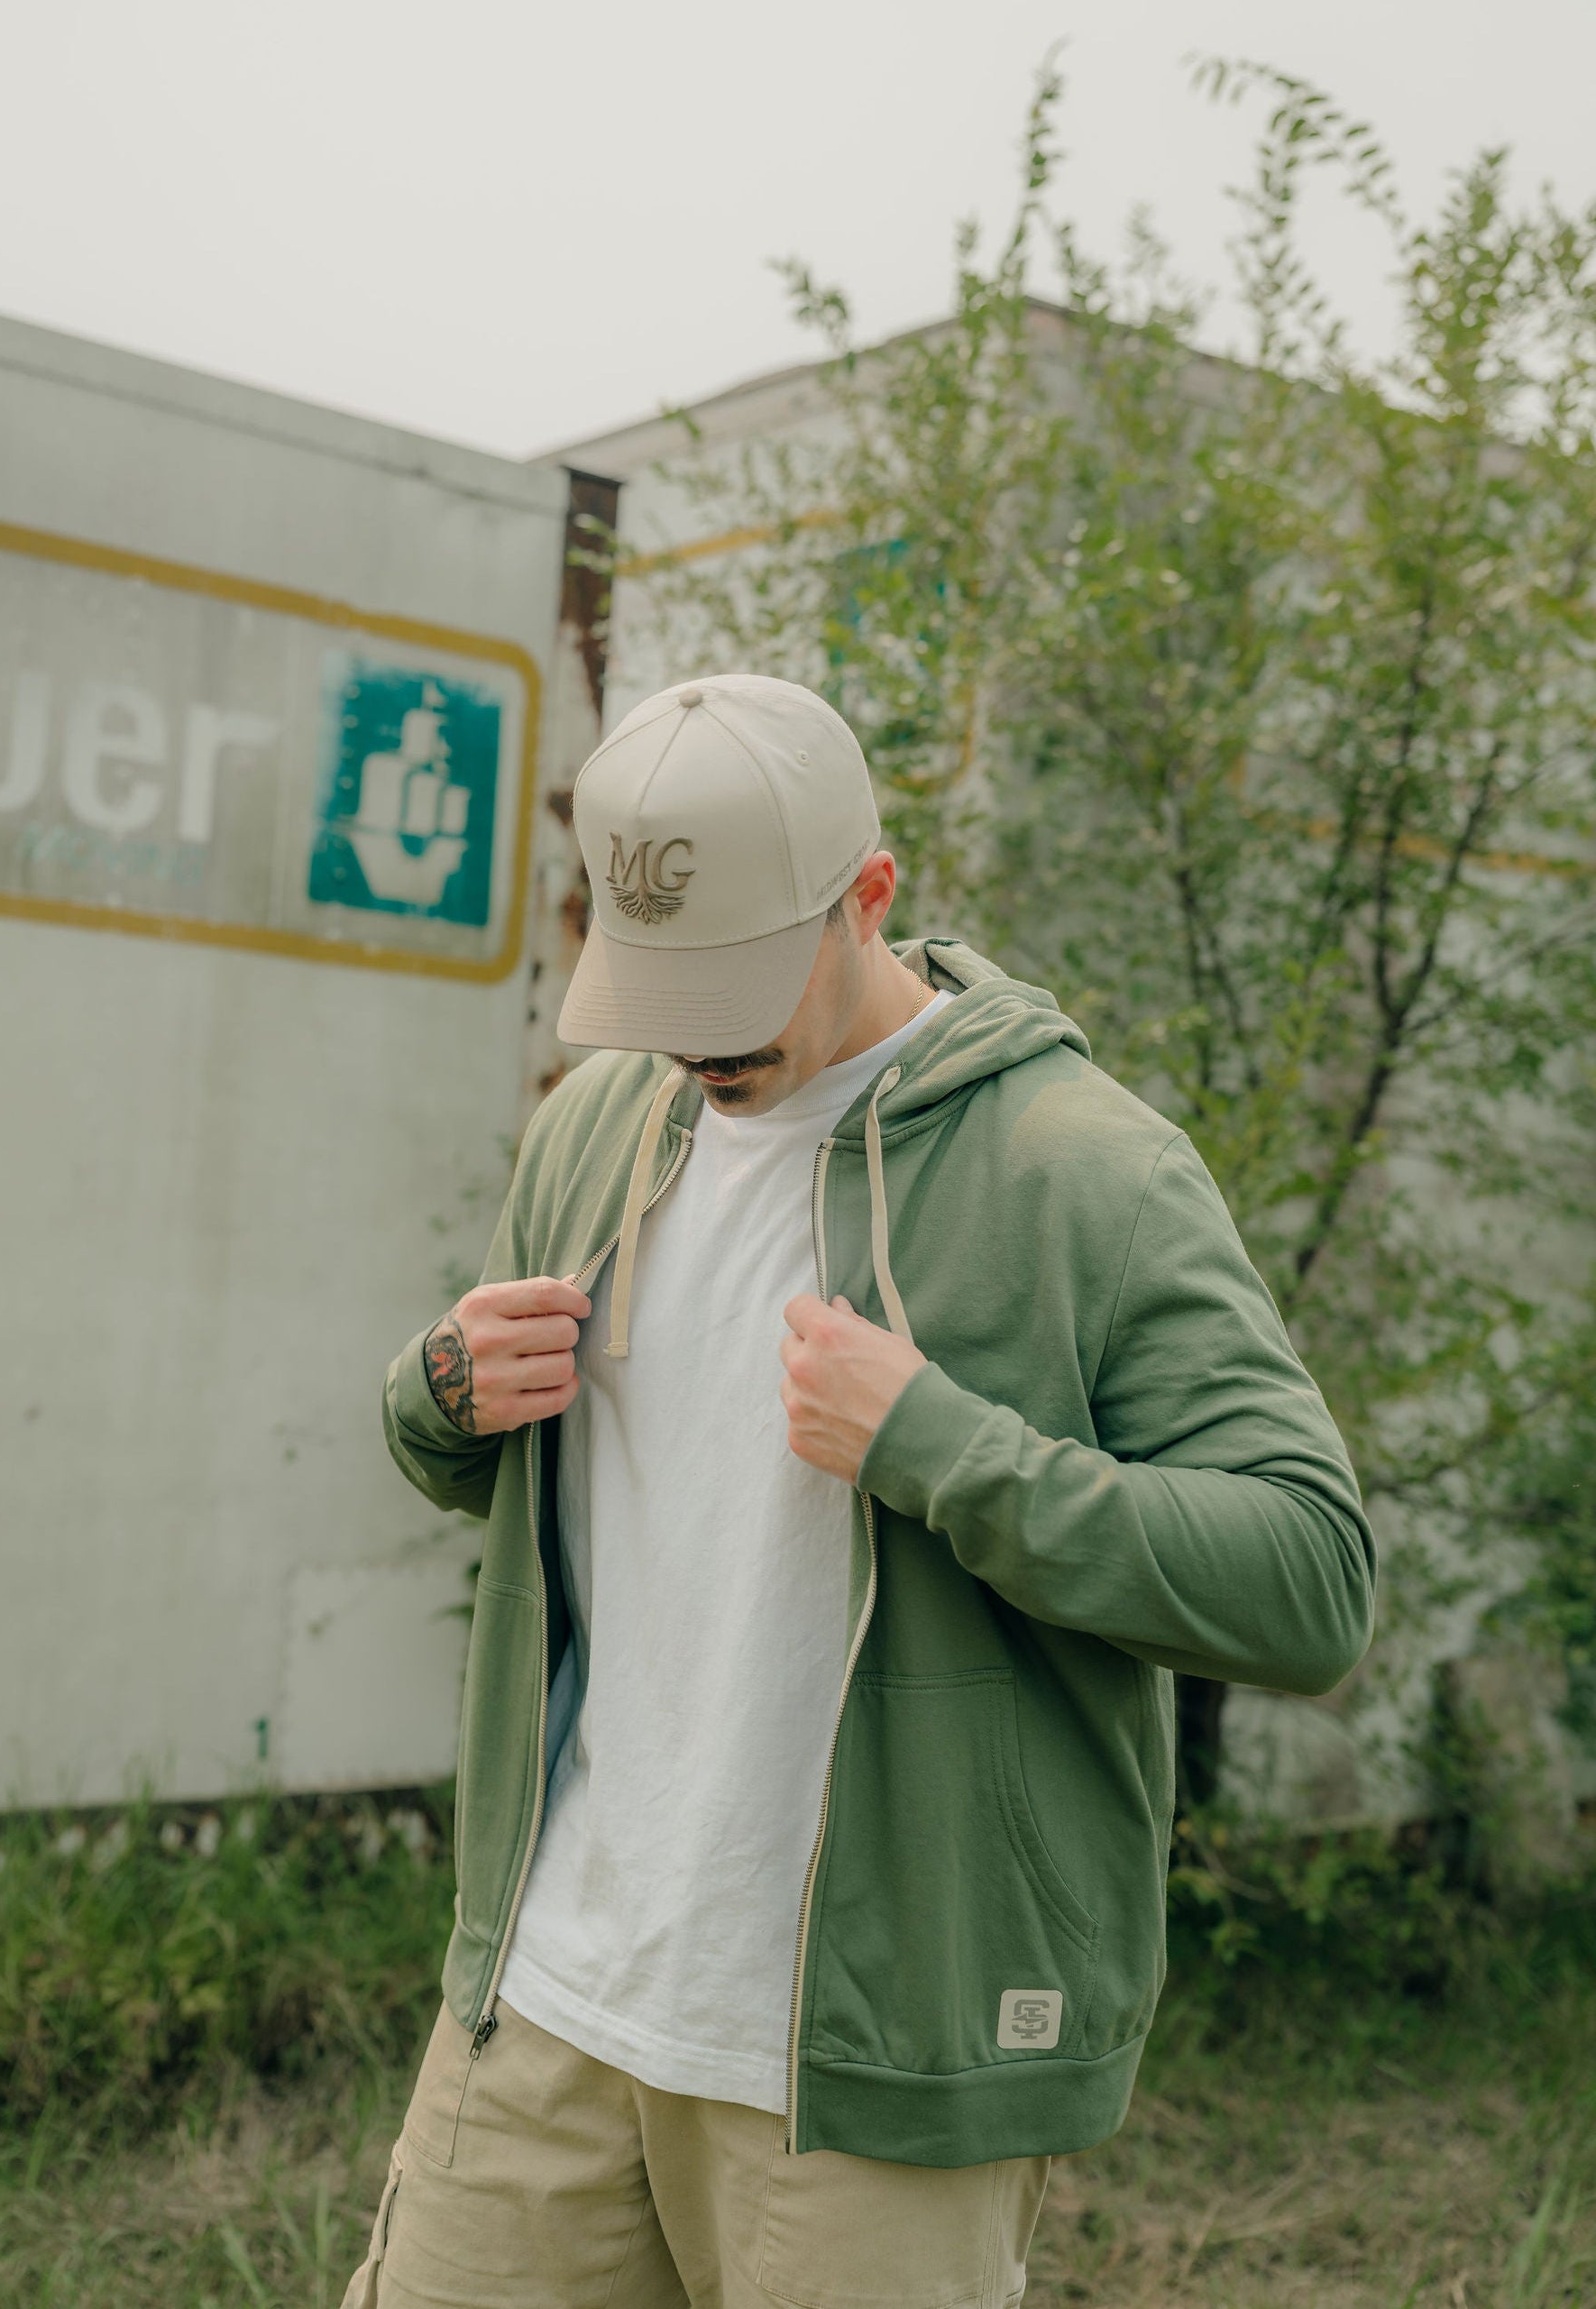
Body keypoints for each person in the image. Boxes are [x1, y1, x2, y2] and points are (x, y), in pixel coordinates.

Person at [344, 673, 1375, 2309]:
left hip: (875, 2057)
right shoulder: (597, 1127)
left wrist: (944, 1446)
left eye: (737, 983)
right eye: (661, 985)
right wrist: (441, 1395)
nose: (697, 1039)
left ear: (869, 894)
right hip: (546, 2001)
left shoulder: (1083, 1170)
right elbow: (538, 1490)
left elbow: (1310, 1582)